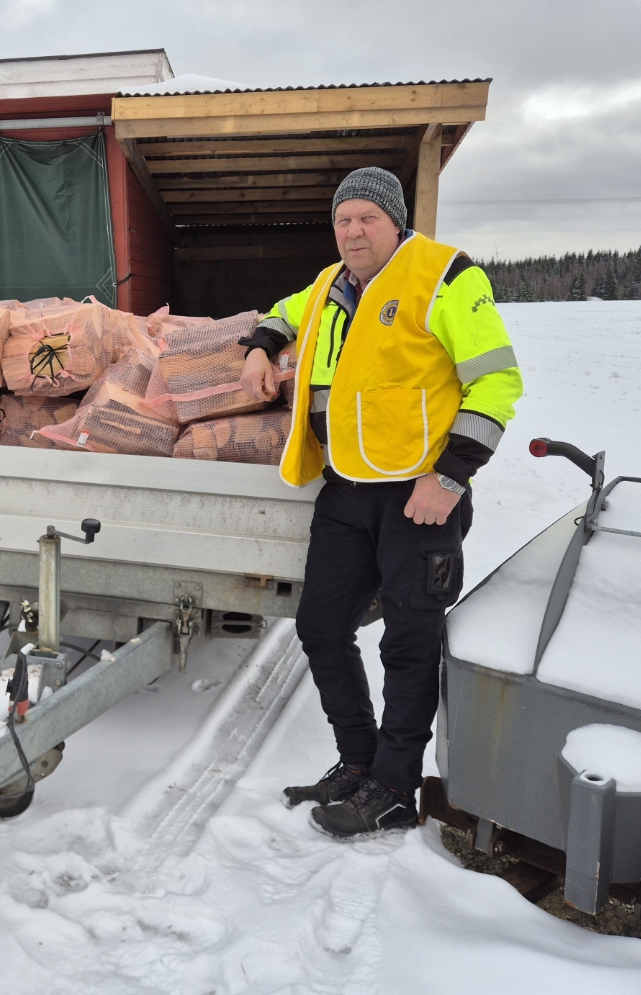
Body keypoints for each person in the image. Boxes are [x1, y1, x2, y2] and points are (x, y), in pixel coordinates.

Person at [240, 167, 522, 836]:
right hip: (346, 490)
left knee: (408, 640)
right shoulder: (329, 286)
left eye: (368, 217)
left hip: (419, 496)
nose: (354, 231)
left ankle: (395, 788)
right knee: (320, 626)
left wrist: (449, 478)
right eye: (343, 220)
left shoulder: (445, 275)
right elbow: (283, 311)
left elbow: (497, 383)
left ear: (396, 222)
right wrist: (261, 347)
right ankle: (358, 762)